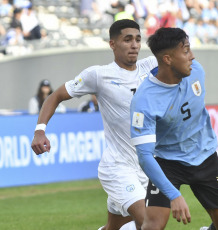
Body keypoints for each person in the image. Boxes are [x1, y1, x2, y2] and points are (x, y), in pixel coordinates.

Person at [31, 19, 158, 230]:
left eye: (137, 39)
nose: (134, 45)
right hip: (118, 168)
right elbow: (56, 95)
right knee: (149, 223)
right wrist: (39, 131)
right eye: (127, 40)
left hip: (146, 168)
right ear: (112, 44)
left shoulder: (151, 66)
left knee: (114, 227)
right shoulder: (99, 75)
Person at [130, 27, 218, 230]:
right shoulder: (144, 101)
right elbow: (144, 156)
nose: (192, 56)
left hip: (204, 156)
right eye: (186, 50)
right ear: (168, 59)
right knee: (152, 226)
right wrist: (174, 195)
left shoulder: (196, 71)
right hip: (167, 162)